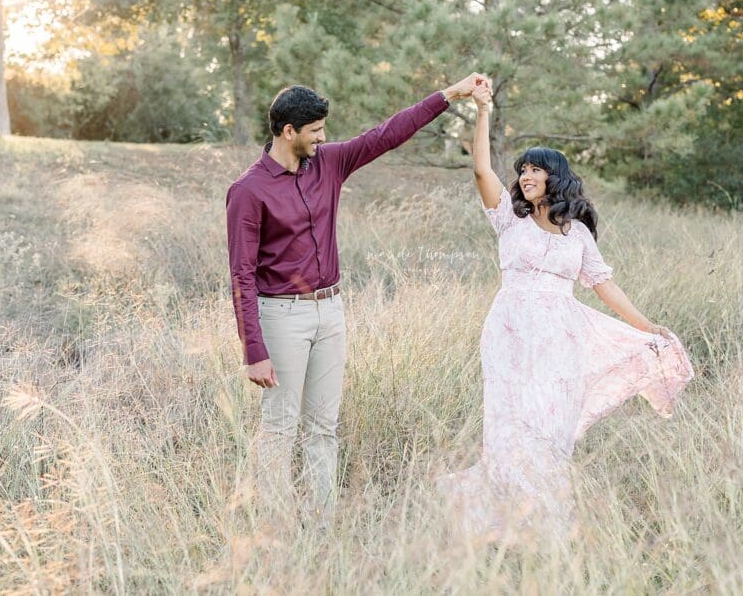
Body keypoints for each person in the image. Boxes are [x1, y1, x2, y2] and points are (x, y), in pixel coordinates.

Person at [438, 80, 694, 540]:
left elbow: (603, 285)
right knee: (509, 425)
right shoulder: (508, 219)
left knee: (550, 429)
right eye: (523, 171)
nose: (526, 176)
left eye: (536, 170)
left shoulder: (577, 234)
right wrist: (482, 111)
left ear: (556, 178)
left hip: (561, 338)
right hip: (509, 333)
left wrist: (645, 325)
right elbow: (480, 169)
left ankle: (546, 527)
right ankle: (500, 522)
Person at [226, 74, 485, 524]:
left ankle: (322, 521)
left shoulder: (329, 163)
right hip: (281, 316)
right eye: (315, 131)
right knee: (279, 428)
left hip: (331, 310)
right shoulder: (248, 191)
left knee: (323, 427)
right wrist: (254, 350)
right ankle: (275, 526)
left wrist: (450, 94)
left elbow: (386, 134)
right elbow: (241, 276)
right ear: (289, 132)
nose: (323, 137)